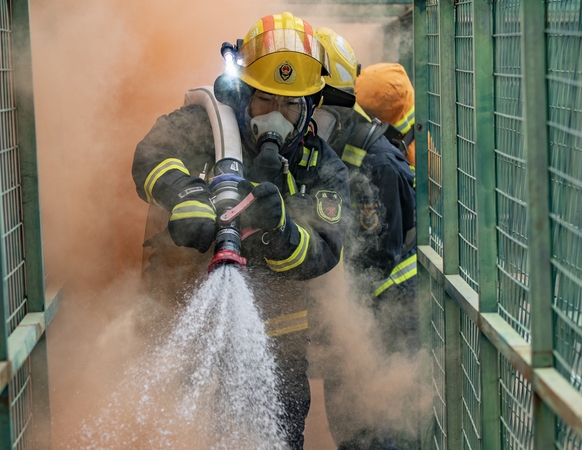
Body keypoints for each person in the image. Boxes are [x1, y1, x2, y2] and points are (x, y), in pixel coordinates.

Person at [132, 12, 350, 450]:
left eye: (291, 105)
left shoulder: (322, 166)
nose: (277, 117)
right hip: (182, 329)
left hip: (276, 346)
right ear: (242, 93)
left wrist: (280, 231)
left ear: (311, 106)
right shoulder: (207, 124)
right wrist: (186, 193)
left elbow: (325, 251)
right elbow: (150, 155)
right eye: (265, 100)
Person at [311, 27, 418, 450]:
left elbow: (377, 254)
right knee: (348, 418)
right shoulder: (336, 144)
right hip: (359, 304)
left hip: (386, 305)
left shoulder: (379, 163)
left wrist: (330, 297)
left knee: (371, 421)